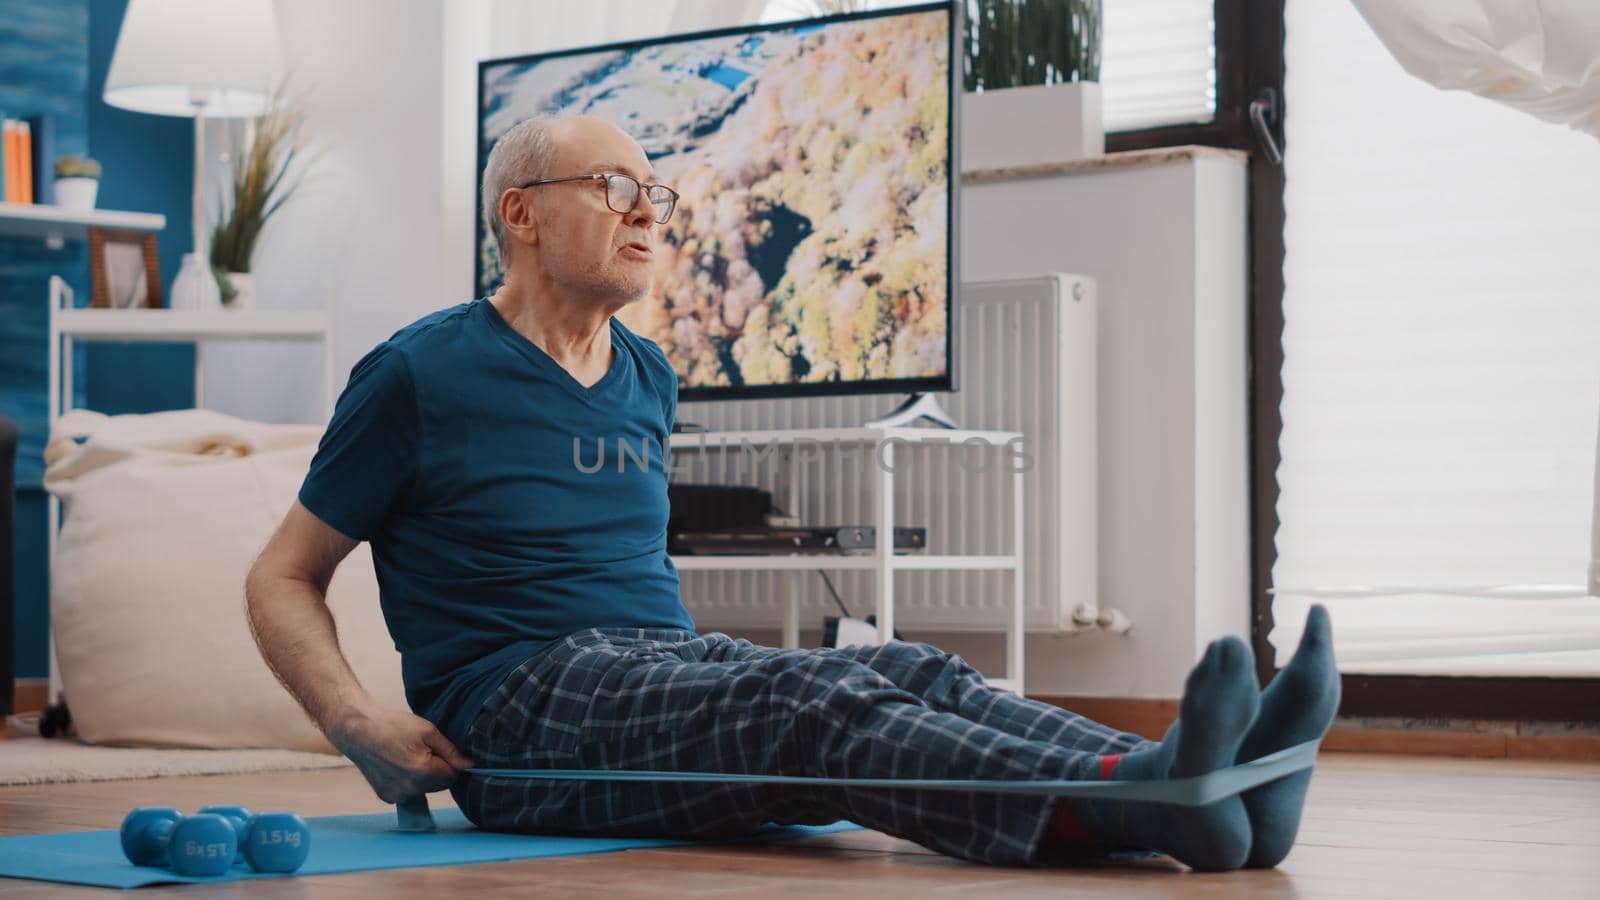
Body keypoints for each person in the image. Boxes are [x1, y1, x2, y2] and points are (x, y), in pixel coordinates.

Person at [245, 114, 1340, 871]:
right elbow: (284, 575)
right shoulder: (416, 373)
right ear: (521, 214)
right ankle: (1143, 795)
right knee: (809, 710)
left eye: (654, 195)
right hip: (516, 715)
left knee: (909, 667)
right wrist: (358, 724)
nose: (646, 213)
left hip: (653, 668)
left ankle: (1213, 784)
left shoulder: (645, 373)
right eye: (614, 189)